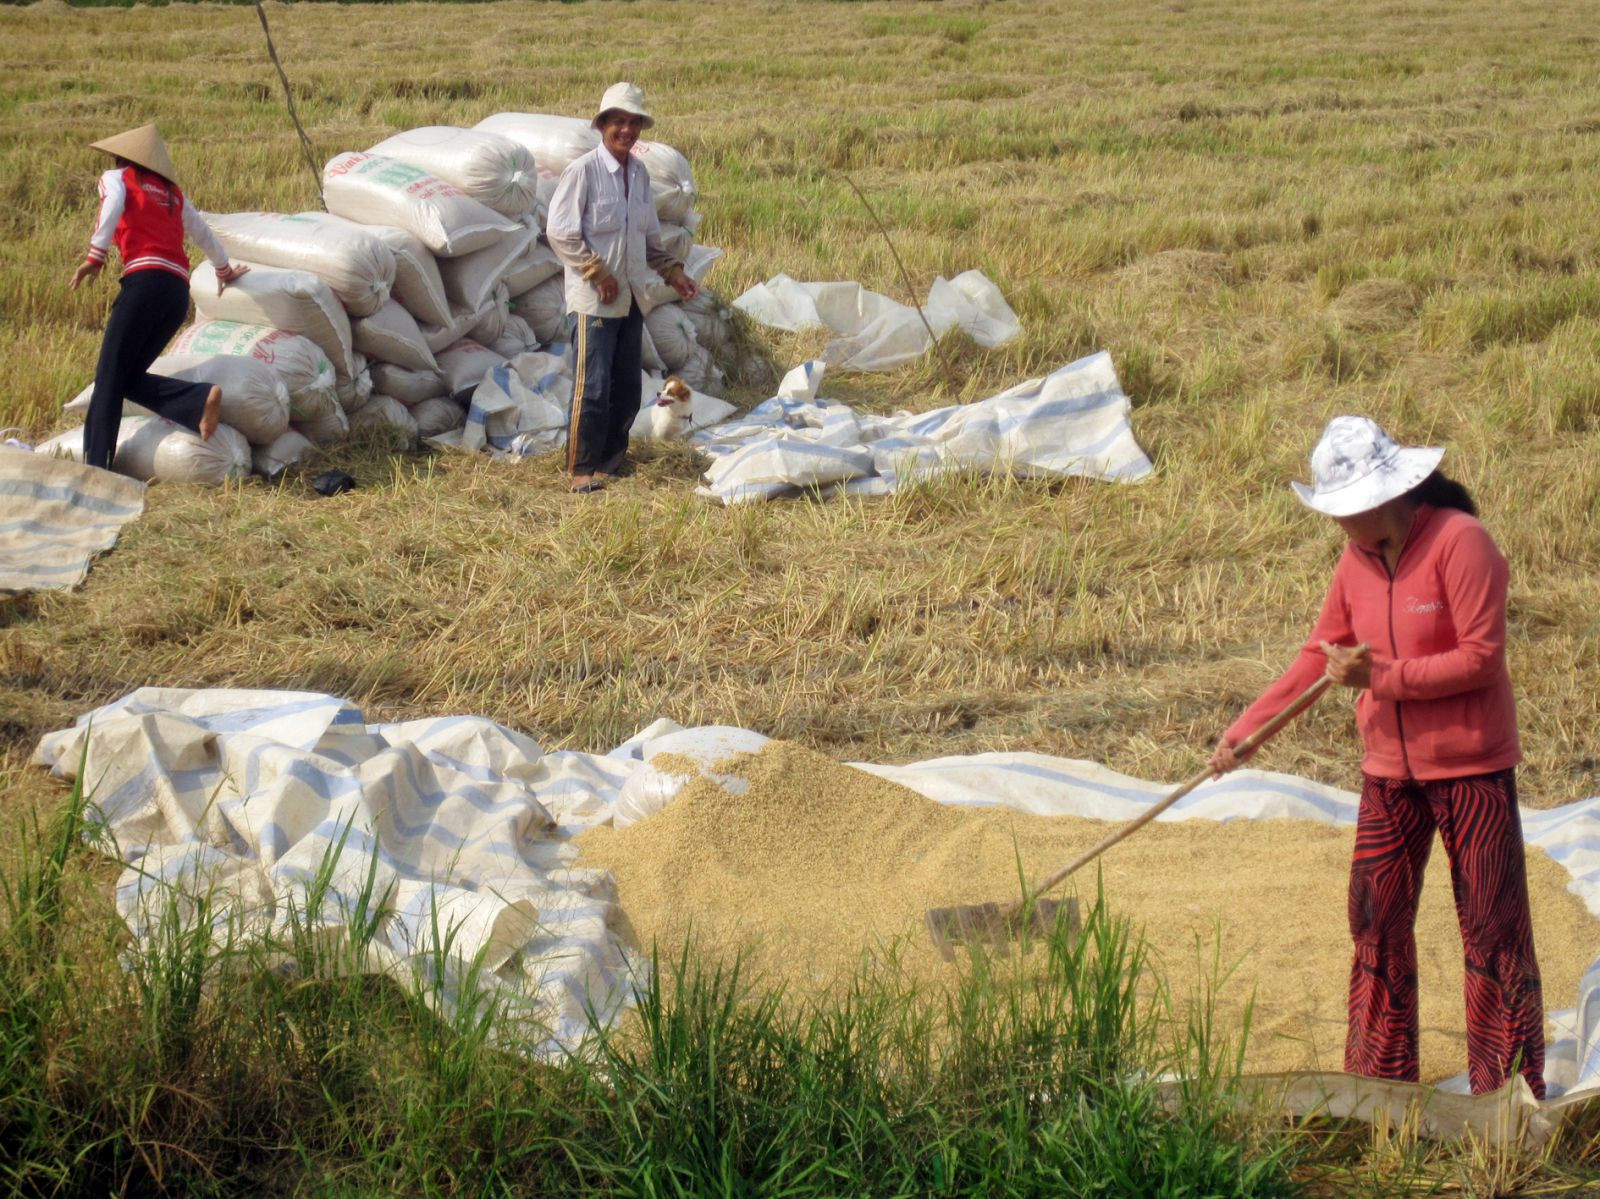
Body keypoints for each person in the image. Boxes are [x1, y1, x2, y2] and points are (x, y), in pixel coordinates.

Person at [1210, 415, 1543, 1098]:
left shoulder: (1463, 542)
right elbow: (1320, 652)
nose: (1338, 525)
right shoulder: (1355, 561)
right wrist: (1250, 729)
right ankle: (1377, 1090)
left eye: (1345, 511)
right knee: (1374, 924)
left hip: (1471, 768)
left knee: (1491, 930)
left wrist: (1382, 677)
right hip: (1389, 773)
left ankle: (1505, 1095)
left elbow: (1481, 659)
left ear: (1386, 495)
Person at [70, 124, 250, 472]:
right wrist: (223, 270)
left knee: (108, 378)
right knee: (125, 376)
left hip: (144, 283)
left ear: (123, 158)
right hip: (175, 293)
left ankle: (95, 469)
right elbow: (201, 231)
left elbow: (113, 205)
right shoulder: (172, 193)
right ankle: (197, 401)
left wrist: (96, 256)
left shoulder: (117, 178)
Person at [546, 82, 697, 494]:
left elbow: (649, 239)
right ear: (602, 125)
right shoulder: (584, 172)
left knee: (627, 387)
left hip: (631, 298)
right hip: (594, 300)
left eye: (633, 123)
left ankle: (611, 464)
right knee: (591, 388)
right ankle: (581, 468)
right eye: (618, 121)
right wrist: (598, 272)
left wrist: (674, 274)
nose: (626, 130)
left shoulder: (639, 174)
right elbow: (560, 233)